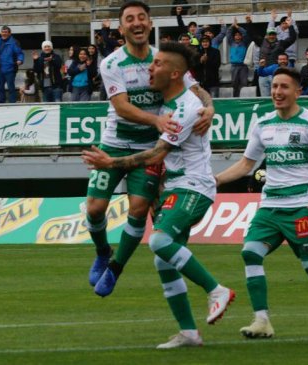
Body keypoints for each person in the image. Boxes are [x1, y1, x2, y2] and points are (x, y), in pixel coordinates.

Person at [82, 41, 234, 349]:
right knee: (164, 261)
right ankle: (189, 333)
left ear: (176, 74)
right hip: (176, 186)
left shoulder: (183, 109)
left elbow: (156, 155)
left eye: (158, 65)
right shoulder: (170, 102)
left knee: (159, 241)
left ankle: (216, 289)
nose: (151, 68)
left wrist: (111, 163)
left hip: (193, 186)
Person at [85, 1, 215, 298]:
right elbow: (121, 107)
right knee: (94, 208)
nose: (137, 23)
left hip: (149, 148)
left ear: (151, 24)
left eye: (142, 17)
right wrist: (156, 119)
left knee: (139, 209)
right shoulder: (111, 63)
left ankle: (116, 269)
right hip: (116, 141)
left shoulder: (164, 59)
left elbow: (196, 89)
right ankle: (103, 251)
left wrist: (210, 107)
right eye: (130, 19)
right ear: (121, 29)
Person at [215, 67, 308, 339]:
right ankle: (261, 321)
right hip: (270, 206)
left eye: (284, 87)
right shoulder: (263, 125)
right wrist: (214, 181)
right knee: (250, 252)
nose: (277, 92)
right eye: (274, 86)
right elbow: (245, 165)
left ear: (298, 91)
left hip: (301, 206)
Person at [249, 18, 296, 96]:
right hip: (263, 75)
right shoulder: (261, 42)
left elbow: (292, 38)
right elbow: (252, 35)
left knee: (276, 97)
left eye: (273, 34)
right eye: (270, 34)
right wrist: (249, 22)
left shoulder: (281, 43)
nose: (271, 36)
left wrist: (290, 26)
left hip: (276, 75)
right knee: (265, 99)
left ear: (276, 35)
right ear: (267, 35)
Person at [0, 26, 24, 103]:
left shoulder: (14, 42)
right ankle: (1, 103)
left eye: (6, 32)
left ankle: (12, 103)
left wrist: (20, 60)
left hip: (10, 69)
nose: (4, 33)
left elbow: (20, 53)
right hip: (0, 69)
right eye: (3, 32)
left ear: (9, 33)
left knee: (11, 88)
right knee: (0, 88)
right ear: (1, 33)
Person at [227, 17, 251, 97]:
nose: (237, 37)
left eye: (239, 35)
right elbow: (228, 34)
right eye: (236, 35)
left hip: (243, 66)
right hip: (234, 66)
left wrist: (237, 27)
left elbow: (245, 33)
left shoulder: (244, 42)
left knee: (244, 83)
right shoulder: (231, 42)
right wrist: (232, 26)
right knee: (234, 83)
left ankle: (244, 98)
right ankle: (235, 98)